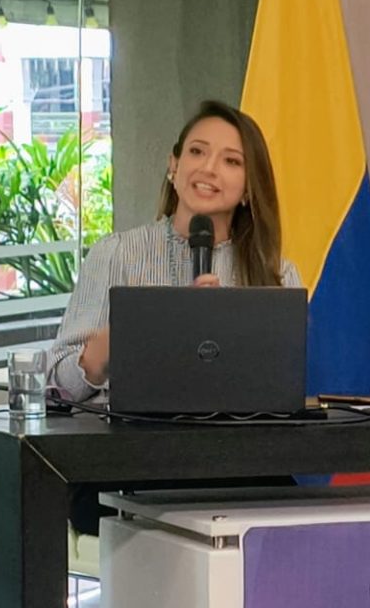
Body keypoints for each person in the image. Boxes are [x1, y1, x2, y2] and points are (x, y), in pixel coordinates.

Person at [47, 100, 303, 402]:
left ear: (249, 188)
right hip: (130, 432)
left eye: (231, 161)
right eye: (197, 151)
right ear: (174, 165)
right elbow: (56, 388)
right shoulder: (116, 254)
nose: (208, 168)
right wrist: (119, 337)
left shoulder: (278, 275)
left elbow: (286, 390)